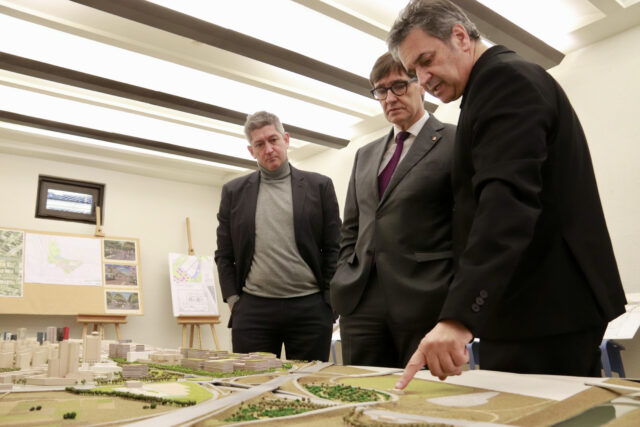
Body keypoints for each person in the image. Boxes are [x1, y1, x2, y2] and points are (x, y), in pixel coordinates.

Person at [387, 0, 627, 386]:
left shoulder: (504, 81)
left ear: (460, 37)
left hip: (544, 306)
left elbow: (505, 204)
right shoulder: (491, 86)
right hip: (537, 306)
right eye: (414, 70)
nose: (423, 78)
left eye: (426, 60)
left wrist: (458, 318)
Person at [330, 52, 456, 368]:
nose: (390, 98)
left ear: (421, 84)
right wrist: (345, 270)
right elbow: (351, 227)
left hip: (424, 296)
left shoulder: (454, 140)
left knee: (422, 392)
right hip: (361, 299)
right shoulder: (365, 154)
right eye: (381, 90)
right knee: (362, 390)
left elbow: (465, 223)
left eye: (399, 86)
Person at [215, 111, 341, 361]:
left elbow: (335, 247)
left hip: (310, 308)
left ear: (286, 139)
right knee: (252, 382)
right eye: (260, 144)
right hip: (253, 310)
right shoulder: (233, 192)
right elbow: (224, 254)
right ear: (251, 151)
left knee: (307, 382)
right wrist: (233, 300)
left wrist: (329, 299)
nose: (269, 149)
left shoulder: (319, 186)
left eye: (273, 140)